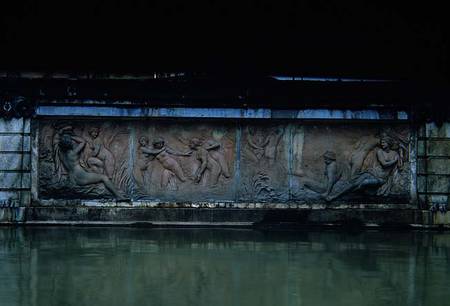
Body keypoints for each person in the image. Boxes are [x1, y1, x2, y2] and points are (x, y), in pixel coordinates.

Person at [325, 136, 400, 201]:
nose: (382, 144)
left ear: (389, 143)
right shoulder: (380, 152)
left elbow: (397, 166)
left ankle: (350, 193)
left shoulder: (395, 153)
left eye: (384, 142)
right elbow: (384, 164)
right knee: (354, 182)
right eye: (382, 142)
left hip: (381, 178)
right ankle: (335, 196)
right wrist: (394, 160)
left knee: (364, 183)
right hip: (373, 172)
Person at [57, 134, 125, 200]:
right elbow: (82, 141)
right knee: (104, 177)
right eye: (71, 141)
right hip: (80, 175)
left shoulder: (61, 155)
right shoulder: (73, 153)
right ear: (70, 143)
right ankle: (118, 196)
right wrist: (71, 136)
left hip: (72, 178)